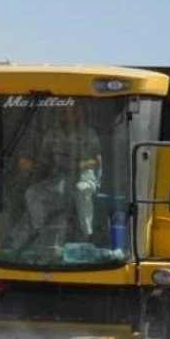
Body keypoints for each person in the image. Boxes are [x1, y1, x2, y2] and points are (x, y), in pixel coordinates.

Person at [12, 102, 102, 249]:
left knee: (80, 191)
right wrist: (30, 166)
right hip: (57, 178)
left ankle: (87, 234)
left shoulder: (89, 134)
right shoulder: (52, 134)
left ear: (78, 114)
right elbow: (44, 160)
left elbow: (97, 161)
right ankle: (40, 230)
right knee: (32, 193)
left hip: (83, 177)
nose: (68, 116)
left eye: (72, 112)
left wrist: (80, 165)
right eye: (64, 112)